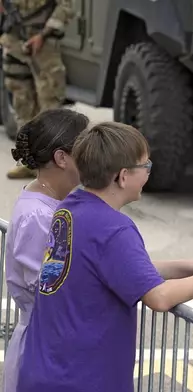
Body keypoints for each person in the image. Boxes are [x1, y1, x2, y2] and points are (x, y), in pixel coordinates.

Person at [16, 121, 193, 392]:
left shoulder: (70, 208)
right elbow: (158, 298)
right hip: (83, 379)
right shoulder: (115, 228)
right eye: (146, 166)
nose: (149, 173)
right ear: (123, 176)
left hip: (44, 371)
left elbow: (117, 269)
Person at [2, 108, 89, 392]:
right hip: (47, 349)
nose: (94, 157)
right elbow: (49, 289)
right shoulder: (38, 217)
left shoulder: (53, 204)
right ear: (62, 158)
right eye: (86, 149)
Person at [1, 0, 74, 179]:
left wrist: (44, 35)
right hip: (14, 41)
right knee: (22, 102)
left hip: (44, 45)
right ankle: (27, 161)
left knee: (49, 104)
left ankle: (51, 165)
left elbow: (66, 7)